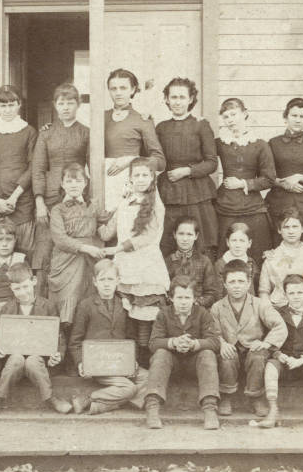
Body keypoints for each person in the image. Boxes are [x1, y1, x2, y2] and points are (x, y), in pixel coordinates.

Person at [98, 157, 170, 365]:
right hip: (125, 265)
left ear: (152, 178)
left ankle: (146, 363)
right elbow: (107, 232)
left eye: (145, 175)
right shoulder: (124, 202)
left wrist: (118, 248)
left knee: (145, 317)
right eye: (136, 175)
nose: (140, 179)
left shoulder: (156, 204)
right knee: (127, 315)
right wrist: (94, 220)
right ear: (130, 178)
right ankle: (129, 363)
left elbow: (147, 237)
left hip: (146, 266)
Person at [0, 263, 71, 416]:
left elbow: (59, 336)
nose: (22, 292)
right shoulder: (7, 308)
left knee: (32, 361)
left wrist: (57, 354)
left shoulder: (48, 306)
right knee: (17, 358)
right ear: (11, 288)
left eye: (25, 287)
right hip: (12, 359)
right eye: (17, 288)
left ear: (34, 281)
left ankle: (50, 398)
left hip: (40, 359)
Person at [68, 259, 149, 416]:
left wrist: (133, 359)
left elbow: (132, 338)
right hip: (98, 362)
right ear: (95, 282)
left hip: (120, 360)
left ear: (117, 281)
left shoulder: (124, 305)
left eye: (110, 279)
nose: (106, 284)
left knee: (149, 377)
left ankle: (101, 405)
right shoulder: (86, 305)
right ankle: (89, 397)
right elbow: (75, 341)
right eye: (102, 279)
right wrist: (80, 362)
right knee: (129, 388)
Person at [31, 83, 90, 295]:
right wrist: (39, 201)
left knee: (73, 248)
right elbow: (38, 169)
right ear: (55, 105)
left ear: (78, 105)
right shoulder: (46, 134)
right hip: (49, 197)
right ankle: (41, 299)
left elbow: (92, 167)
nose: (65, 107)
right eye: (61, 103)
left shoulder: (85, 133)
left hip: (75, 195)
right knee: (45, 249)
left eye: (70, 103)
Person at [144, 276, 222, 430]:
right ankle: (152, 408)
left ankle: (210, 409)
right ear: (171, 298)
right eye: (179, 298)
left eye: (187, 298)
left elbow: (214, 342)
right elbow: (153, 343)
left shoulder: (203, 313)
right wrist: (173, 342)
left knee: (208, 354)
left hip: (195, 364)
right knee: (160, 354)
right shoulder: (163, 314)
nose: (183, 302)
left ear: (194, 299)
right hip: (172, 365)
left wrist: (194, 344)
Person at [211, 260, 287, 418]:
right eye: (232, 282)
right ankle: (226, 396)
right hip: (230, 349)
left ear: (248, 283)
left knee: (258, 358)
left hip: (253, 349)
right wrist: (222, 343)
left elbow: (280, 326)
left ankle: (255, 397)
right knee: (226, 358)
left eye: (241, 281)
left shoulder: (259, 304)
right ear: (224, 284)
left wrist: (266, 343)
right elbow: (212, 332)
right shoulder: (217, 307)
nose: (236, 286)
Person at [155, 77, 219, 257]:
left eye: (182, 97)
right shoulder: (161, 128)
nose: (177, 102)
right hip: (169, 191)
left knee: (199, 243)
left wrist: (188, 171)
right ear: (166, 99)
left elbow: (212, 162)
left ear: (190, 99)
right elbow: (153, 157)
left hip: (196, 192)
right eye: (173, 97)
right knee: (169, 243)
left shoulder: (201, 125)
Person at [0, 85, 39, 261]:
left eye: (11, 105)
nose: (7, 110)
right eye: (3, 105)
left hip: (21, 200)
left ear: (19, 104)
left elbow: (33, 166)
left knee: (23, 252)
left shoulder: (29, 132)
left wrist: (14, 197)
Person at [259, 274, 303, 429]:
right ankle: (273, 410)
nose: (296, 296)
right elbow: (269, 340)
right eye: (291, 293)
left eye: (299, 292)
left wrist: (302, 359)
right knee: (270, 366)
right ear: (285, 294)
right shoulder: (277, 314)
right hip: (284, 360)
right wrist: (279, 355)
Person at [214, 98, 276, 266]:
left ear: (245, 114)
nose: (230, 120)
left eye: (234, 114)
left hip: (252, 206)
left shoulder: (260, 144)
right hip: (225, 204)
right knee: (224, 251)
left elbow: (269, 178)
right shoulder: (220, 143)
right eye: (226, 117)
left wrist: (244, 184)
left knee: (257, 252)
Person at [267, 97, 303, 256]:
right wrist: (283, 183)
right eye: (294, 115)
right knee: (278, 252)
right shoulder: (273, 143)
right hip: (279, 202)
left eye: (302, 116)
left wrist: (299, 177)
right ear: (285, 117)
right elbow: (266, 176)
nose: (298, 120)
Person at [48, 163, 104, 325]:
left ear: (85, 183)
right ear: (62, 184)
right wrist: (86, 248)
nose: (73, 185)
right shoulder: (57, 209)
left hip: (88, 261)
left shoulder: (93, 206)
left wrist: (123, 204)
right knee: (66, 304)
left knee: (86, 300)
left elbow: (106, 227)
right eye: (69, 181)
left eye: (78, 181)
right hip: (66, 259)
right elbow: (60, 239)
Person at [103, 68, 166, 212]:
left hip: (132, 184)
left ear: (132, 90)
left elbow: (160, 161)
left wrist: (131, 159)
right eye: (113, 88)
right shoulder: (101, 118)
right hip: (104, 184)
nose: (118, 93)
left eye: (123, 88)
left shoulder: (142, 119)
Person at [257, 207, 303, 309]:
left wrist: (300, 309)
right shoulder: (271, 257)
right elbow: (264, 290)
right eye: (286, 227)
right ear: (279, 230)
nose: (291, 231)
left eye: (295, 226)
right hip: (276, 307)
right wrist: (268, 309)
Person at [164, 217, 222, 309]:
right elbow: (164, 292)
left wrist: (196, 303)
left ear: (196, 236)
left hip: (198, 310)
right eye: (181, 234)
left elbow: (211, 293)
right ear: (175, 235)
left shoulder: (204, 261)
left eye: (189, 234)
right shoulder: (167, 262)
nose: (185, 239)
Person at [213, 222, 259, 296]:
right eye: (234, 240)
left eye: (242, 241)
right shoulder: (220, 264)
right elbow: (218, 293)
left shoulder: (251, 262)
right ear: (227, 242)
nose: (238, 245)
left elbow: (255, 289)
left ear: (249, 243)